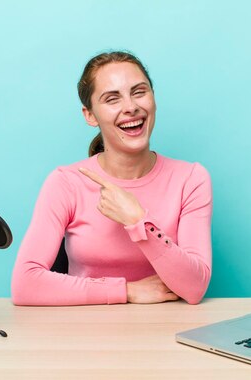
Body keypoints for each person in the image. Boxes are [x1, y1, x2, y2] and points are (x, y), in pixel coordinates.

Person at [11, 51, 212, 305]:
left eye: (139, 92)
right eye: (112, 99)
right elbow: (24, 285)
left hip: (166, 331)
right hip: (85, 332)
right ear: (90, 115)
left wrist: (139, 221)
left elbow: (194, 288)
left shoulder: (191, 179)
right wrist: (126, 291)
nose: (131, 107)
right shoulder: (66, 183)